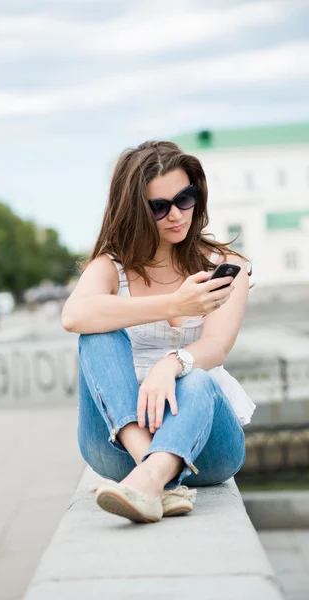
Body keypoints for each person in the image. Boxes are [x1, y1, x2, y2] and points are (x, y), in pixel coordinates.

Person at [61, 140, 256, 524]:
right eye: (159, 207)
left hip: (210, 448)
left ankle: (150, 481)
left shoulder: (224, 266)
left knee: (198, 378)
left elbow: (216, 346)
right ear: (134, 211)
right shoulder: (109, 267)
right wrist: (176, 305)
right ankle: (150, 470)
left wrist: (171, 364)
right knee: (96, 333)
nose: (177, 214)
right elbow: (73, 316)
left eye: (185, 198)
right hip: (118, 445)